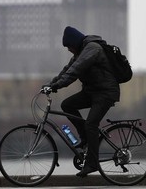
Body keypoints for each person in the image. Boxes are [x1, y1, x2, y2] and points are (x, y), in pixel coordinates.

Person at [42, 26, 120, 177]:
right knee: (67, 104)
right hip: (92, 92)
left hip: (105, 93)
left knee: (91, 123)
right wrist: (51, 84)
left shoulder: (92, 48)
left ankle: (92, 164)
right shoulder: (80, 52)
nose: (69, 50)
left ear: (75, 42)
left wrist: (59, 85)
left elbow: (76, 70)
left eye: (69, 46)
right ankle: (85, 138)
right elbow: (67, 69)